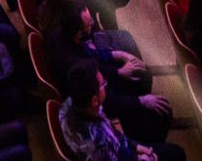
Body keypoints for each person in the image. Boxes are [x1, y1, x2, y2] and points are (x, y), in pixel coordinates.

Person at [55, 60, 184, 161]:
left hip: (120, 147)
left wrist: (137, 146)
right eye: (103, 84)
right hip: (120, 155)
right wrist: (145, 158)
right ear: (94, 100)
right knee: (177, 153)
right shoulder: (98, 146)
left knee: (161, 116)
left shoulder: (71, 102)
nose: (105, 85)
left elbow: (114, 135)